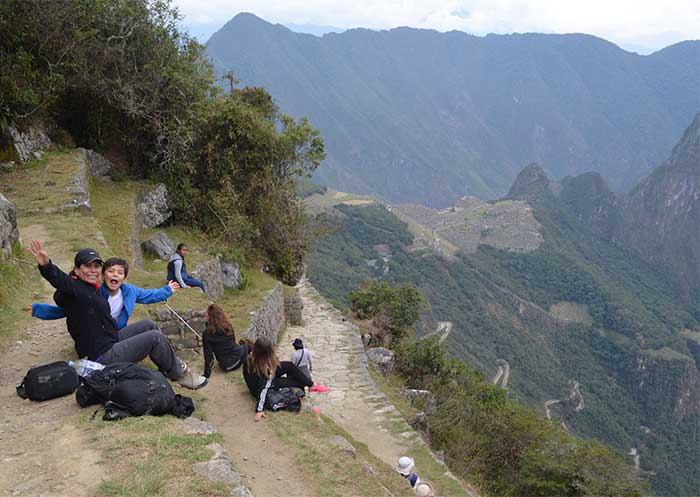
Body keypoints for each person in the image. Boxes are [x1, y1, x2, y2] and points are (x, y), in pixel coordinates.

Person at [28, 241, 207, 390]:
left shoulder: (94, 289)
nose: (93, 270)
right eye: (87, 266)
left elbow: (147, 295)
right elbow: (61, 283)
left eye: (96, 266)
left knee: (148, 324)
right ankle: (180, 375)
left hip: (110, 341)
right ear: (76, 270)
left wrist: (167, 290)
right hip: (101, 356)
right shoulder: (78, 290)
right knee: (155, 338)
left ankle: (170, 365)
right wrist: (47, 266)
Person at [31, 257, 179, 329]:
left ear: (124, 278)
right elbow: (66, 310)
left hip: (118, 331)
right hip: (98, 336)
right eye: (111, 271)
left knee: (150, 327)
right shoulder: (94, 293)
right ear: (103, 275)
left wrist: (167, 290)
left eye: (120, 273)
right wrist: (39, 310)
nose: (115, 275)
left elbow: (149, 296)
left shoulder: (130, 291)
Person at [241, 338, 313, 421]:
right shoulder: (261, 368)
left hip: (263, 377)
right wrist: (259, 409)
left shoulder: (252, 356)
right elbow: (263, 388)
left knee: (289, 365)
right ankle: (302, 392)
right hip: (261, 387)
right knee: (295, 381)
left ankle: (311, 385)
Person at [202, 303, 246, 378]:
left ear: (211, 317)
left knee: (244, 345)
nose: (205, 315)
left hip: (225, 366)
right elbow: (233, 343)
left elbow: (209, 357)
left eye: (207, 314)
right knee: (246, 346)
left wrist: (206, 374)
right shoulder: (228, 327)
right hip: (237, 360)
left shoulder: (207, 334)